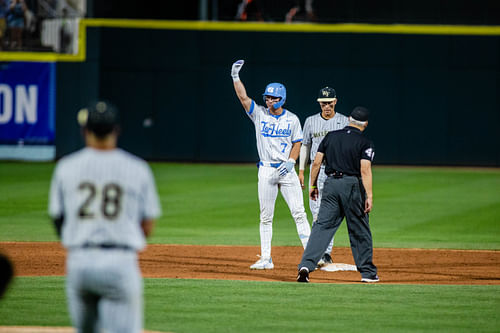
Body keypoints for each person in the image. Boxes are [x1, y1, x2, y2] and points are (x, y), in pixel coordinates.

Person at [48, 100, 162, 332]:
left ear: (85, 131)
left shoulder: (66, 167)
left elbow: (58, 218)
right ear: (117, 130)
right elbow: (148, 224)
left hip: (79, 261)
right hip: (120, 263)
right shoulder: (137, 168)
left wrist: (80, 235)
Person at [231, 59, 311, 270]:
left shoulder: (292, 119)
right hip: (266, 169)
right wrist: (235, 77)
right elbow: (242, 97)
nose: (268, 101)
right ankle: (266, 259)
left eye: (273, 97)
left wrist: (292, 161)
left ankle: (312, 255)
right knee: (266, 216)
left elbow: (298, 143)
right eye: (267, 97)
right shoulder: (259, 114)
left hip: (287, 170)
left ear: (281, 98)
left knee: (299, 213)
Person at [297, 106, 379, 283]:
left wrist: (313, 185)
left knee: (321, 227)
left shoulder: (331, 136)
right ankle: (368, 273)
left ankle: (305, 265)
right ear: (365, 124)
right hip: (352, 186)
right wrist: (370, 196)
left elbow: (317, 162)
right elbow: (365, 170)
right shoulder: (365, 142)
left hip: (330, 185)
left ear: (349, 119)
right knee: (359, 229)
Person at [299, 86, 349, 267]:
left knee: (331, 213)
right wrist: (302, 170)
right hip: (316, 171)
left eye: (329, 103)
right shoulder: (311, 121)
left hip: (337, 171)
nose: (326, 106)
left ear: (335, 101)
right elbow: (305, 145)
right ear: (319, 103)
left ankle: (325, 252)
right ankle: (321, 252)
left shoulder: (344, 121)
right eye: (323, 103)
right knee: (317, 213)